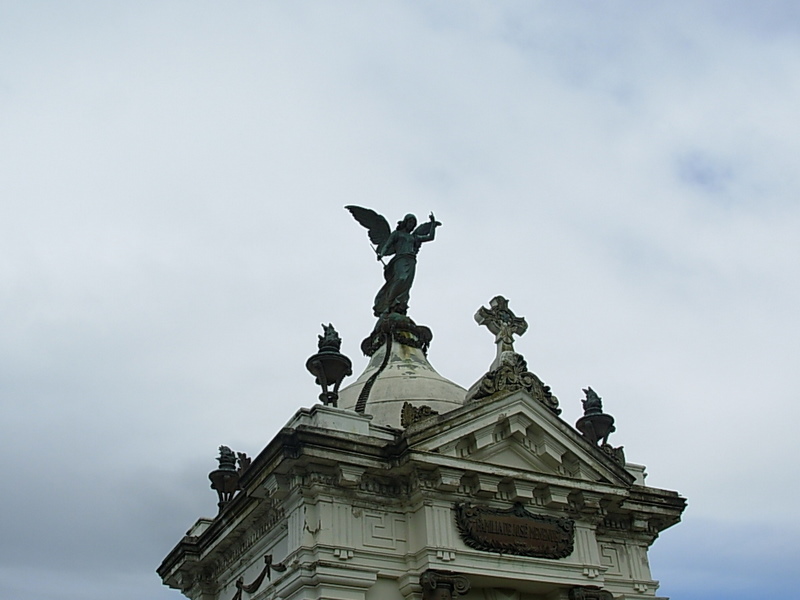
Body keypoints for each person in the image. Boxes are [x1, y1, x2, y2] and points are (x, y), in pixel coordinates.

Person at [373, 213, 439, 317]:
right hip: (400, 259)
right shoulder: (397, 234)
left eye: (413, 223)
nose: (412, 225)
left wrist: (432, 224)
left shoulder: (414, 237)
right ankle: (388, 303)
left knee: (407, 285)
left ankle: (399, 304)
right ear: (405, 222)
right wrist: (381, 253)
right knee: (401, 278)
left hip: (411, 261)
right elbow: (387, 244)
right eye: (410, 222)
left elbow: (430, 237)